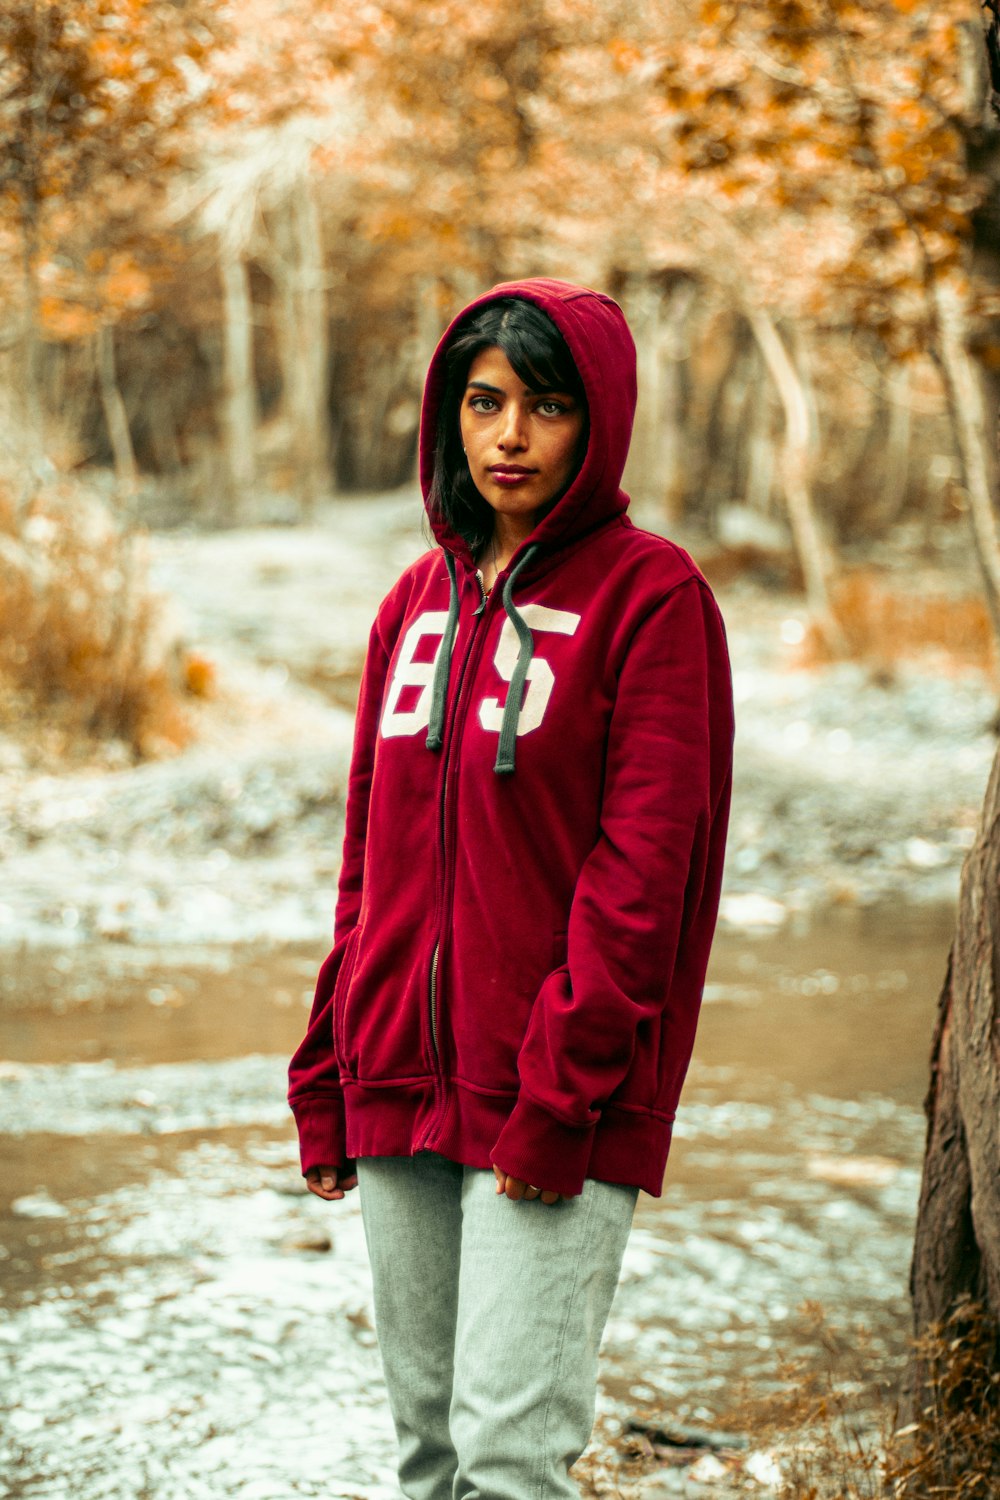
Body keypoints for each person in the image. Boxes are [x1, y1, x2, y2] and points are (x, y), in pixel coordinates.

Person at [287, 277, 734, 1500]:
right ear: (449, 414)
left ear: (598, 423)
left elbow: (645, 879)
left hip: (557, 1095)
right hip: (397, 1082)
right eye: (483, 403)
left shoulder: (653, 601)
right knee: (429, 1456)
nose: (509, 436)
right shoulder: (410, 606)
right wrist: (330, 1069)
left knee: (509, 1461)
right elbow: (367, 863)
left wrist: (563, 1093)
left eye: (545, 406)